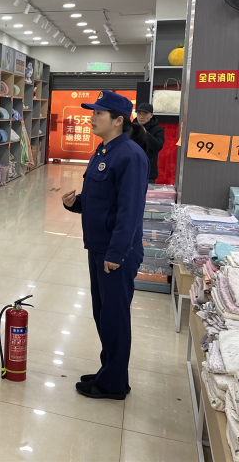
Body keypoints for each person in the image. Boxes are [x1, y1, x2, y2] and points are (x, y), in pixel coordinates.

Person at [62, 91, 149, 401]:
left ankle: (113, 384)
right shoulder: (103, 151)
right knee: (103, 313)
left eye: (99, 113)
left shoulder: (130, 155)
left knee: (114, 316)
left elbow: (130, 210)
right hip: (100, 246)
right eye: (93, 112)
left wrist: (116, 252)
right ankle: (109, 370)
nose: (92, 117)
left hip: (115, 252)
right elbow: (103, 199)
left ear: (118, 120)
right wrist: (76, 203)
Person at [135, 103, 165, 184]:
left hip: (148, 172)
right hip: (130, 170)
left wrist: (145, 132)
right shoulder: (130, 128)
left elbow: (157, 147)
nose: (141, 117)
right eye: (139, 113)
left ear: (151, 115)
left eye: (145, 114)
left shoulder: (158, 129)